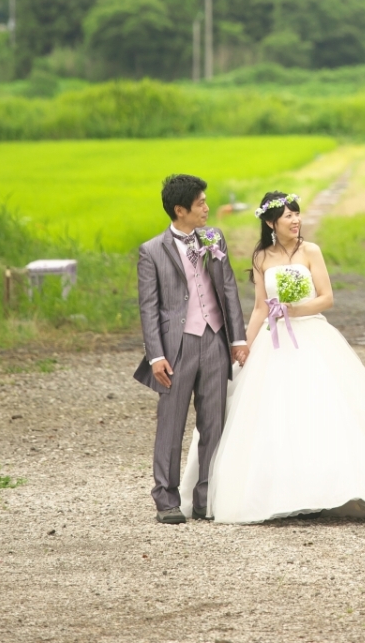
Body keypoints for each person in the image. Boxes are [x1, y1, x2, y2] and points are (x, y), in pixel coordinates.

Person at [179, 191, 365, 523]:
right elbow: (261, 306)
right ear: (271, 222)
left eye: (297, 214)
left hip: (311, 333)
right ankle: (279, 491)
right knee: (271, 413)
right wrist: (243, 344)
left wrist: (296, 309)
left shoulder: (310, 251)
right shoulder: (262, 257)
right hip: (274, 340)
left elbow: (327, 298)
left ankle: (333, 488)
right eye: (288, 215)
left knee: (323, 407)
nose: (295, 220)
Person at [134, 173, 249, 524]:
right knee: (171, 423)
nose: (207, 208)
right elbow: (149, 307)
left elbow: (228, 288)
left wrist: (238, 339)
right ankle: (166, 500)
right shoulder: (152, 251)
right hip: (175, 347)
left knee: (214, 423)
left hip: (214, 339)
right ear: (180, 209)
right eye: (200, 203)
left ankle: (206, 497)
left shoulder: (214, 238)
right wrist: (156, 355)